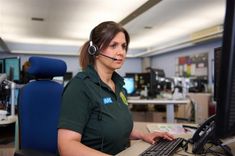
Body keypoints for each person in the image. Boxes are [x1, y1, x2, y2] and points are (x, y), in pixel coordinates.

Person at [58, 21, 174, 156]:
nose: (121, 52)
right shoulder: (80, 87)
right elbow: (66, 146)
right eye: (113, 46)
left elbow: (117, 127)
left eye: (124, 46)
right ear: (94, 50)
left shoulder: (119, 86)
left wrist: (144, 135)